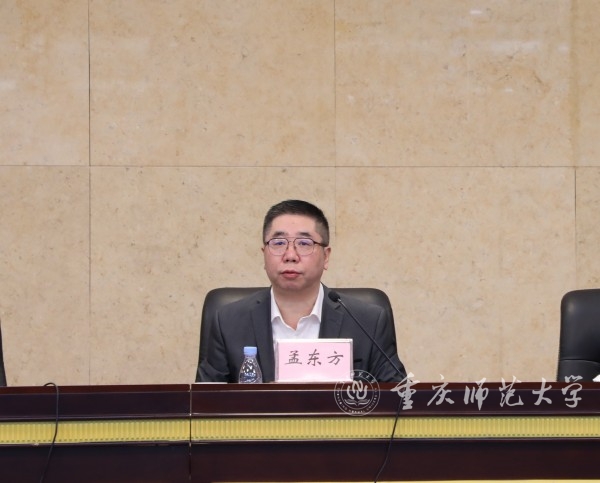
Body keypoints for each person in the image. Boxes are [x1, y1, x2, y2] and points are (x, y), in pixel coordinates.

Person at [198, 199, 407, 383]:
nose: (290, 255)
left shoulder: (368, 322)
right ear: (264, 254)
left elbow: (400, 399)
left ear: (326, 256)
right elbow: (203, 404)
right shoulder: (228, 322)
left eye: (304, 243)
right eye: (278, 243)